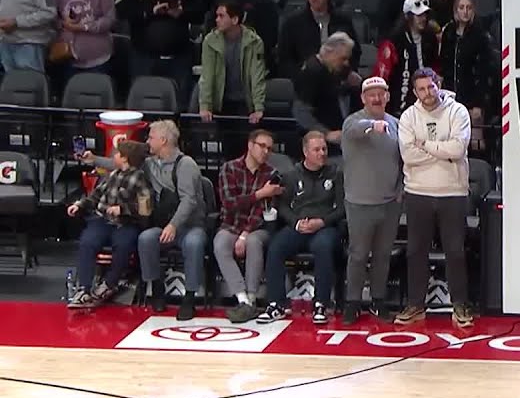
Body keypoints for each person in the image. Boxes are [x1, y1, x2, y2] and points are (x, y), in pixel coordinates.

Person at [81, 120, 206, 319]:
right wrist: (94, 159)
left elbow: (189, 201)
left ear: (163, 140)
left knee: (194, 243)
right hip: (164, 224)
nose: (147, 141)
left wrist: (173, 225)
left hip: (189, 225)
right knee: (146, 238)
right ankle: (156, 290)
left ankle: (189, 298)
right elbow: (121, 163)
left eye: (151, 137)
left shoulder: (186, 165)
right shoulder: (149, 163)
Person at [395, 68, 474, 328]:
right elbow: (408, 155)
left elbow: (458, 148)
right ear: (415, 92)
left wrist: (425, 145)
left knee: (455, 252)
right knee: (416, 251)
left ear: (438, 84)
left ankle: (460, 305)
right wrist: (443, 152)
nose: (427, 93)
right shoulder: (409, 116)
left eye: (431, 86)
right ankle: (416, 305)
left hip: (453, 192)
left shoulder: (458, 111)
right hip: (418, 192)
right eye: (421, 89)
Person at [257, 131, 346, 325]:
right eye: (317, 150)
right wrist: (296, 223)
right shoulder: (291, 175)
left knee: (323, 246)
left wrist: (322, 221)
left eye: (324, 149)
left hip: (324, 226)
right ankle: (276, 304)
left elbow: (342, 208)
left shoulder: (336, 174)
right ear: (305, 152)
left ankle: (321, 304)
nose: (322, 153)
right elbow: (282, 206)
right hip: (299, 225)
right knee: (276, 246)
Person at [341, 77, 402, 325]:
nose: (376, 98)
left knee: (382, 255)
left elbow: (403, 160)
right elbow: (354, 131)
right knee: (358, 255)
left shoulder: (397, 124)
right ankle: (352, 303)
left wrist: (400, 191)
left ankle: (378, 301)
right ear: (363, 98)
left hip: (390, 203)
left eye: (381, 94)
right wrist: (372, 125)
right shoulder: (353, 122)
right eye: (371, 94)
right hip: (360, 203)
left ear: (388, 96)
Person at [66, 140, 149, 308]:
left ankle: (109, 284)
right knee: (88, 242)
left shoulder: (139, 178)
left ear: (125, 158)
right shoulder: (112, 175)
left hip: (126, 223)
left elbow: (145, 208)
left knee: (124, 245)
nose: (114, 157)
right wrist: (79, 205)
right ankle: (84, 288)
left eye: (117, 154)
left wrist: (123, 209)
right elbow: (95, 196)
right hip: (103, 220)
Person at [214, 129, 282, 324]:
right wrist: (259, 194)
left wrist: (244, 234)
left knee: (253, 242)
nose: (266, 152)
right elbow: (229, 203)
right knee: (220, 243)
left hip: (257, 228)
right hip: (231, 224)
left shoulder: (271, 174)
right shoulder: (229, 168)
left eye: (269, 148)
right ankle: (242, 299)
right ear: (250, 145)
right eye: (262, 146)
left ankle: (251, 297)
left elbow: (262, 210)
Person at [276, 0, 361, 80]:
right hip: (305, 80)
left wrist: (347, 72)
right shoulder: (292, 23)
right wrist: (300, 75)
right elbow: (284, 58)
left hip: (338, 78)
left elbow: (355, 52)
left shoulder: (343, 21)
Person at [53, 0, 115, 80]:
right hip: (68, 58)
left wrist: (85, 27)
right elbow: (52, 18)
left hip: (98, 58)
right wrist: (64, 24)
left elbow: (110, 18)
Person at [373, 0, 439, 116]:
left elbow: (435, 67)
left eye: (424, 15)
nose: (423, 19)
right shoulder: (394, 41)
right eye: (419, 15)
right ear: (408, 17)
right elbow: (381, 76)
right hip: (400, 103)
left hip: (427, 100)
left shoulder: (430, 38)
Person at [439, 0, 494, 116]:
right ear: (456, 10)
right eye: (461, 7)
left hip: (471, 96)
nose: (465, 12)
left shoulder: (480, 35)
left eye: (468, 8)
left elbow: (483, 71)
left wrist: (478, 103)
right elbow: (443, 63)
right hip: (450, 96)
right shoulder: (449, 32)